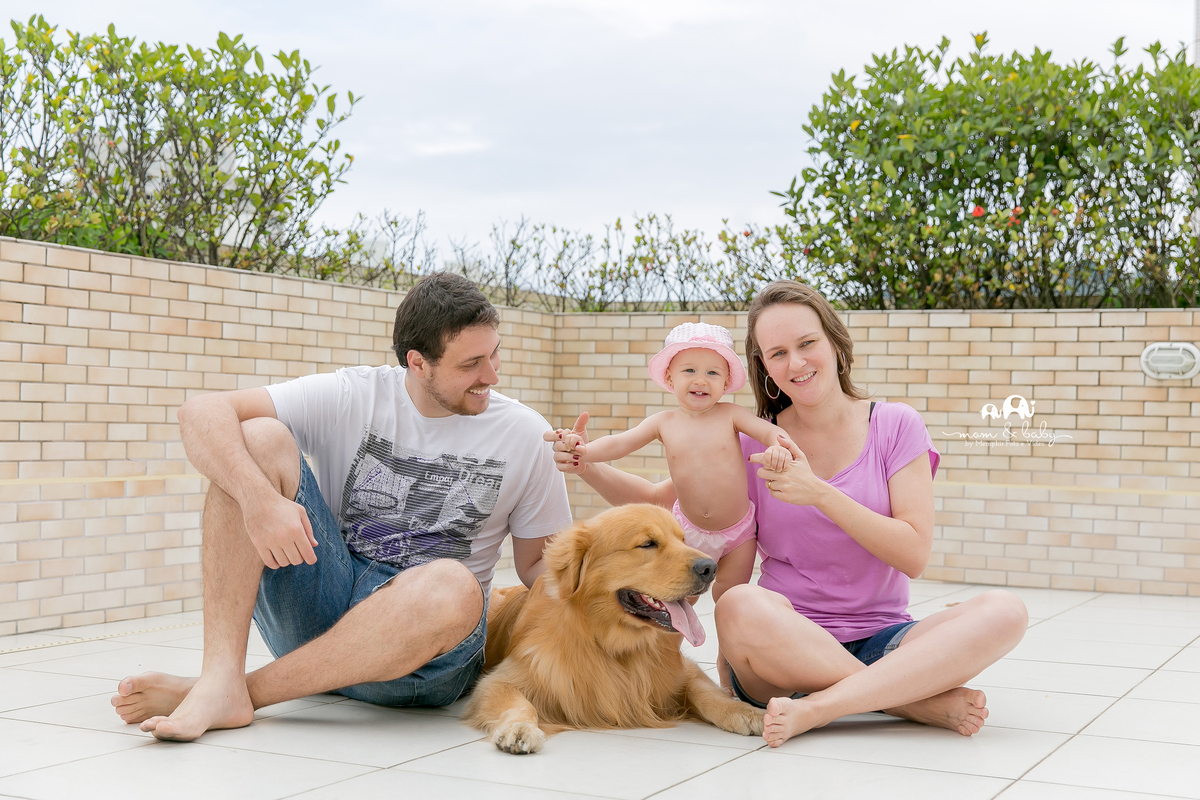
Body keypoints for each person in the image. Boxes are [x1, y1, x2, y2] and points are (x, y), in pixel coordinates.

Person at [546, 281, 1028, 747]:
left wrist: (817, 492)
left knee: (1006, 611)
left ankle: (825, 705)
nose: (795, 362)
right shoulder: (750, 439)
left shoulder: (895, 425)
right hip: (782, 646)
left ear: (835, 343)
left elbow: (914, 554)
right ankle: (909, 701)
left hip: (886, 638)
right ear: (764, 367)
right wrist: (584, 463)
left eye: (806, 343)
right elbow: (658, 501)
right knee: (737, 603)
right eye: (777, 353)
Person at [112, 273, 573, 741]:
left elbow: (540, 565)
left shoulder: (526, 435)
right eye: (472, 363)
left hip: (425, 662)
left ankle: (233, 692)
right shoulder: (355, 394)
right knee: (257, 440)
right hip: (323, 611)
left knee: (453, 583)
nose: (491, 376)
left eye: (494, 354)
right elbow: (200, 413)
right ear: (418, 363)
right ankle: (219, 675)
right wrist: (259, 502)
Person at [561, 322, 791, 605]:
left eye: (712, 373)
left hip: (738, 533)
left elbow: (768, 430)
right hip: (687, 531)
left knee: (731, 598)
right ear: (670, 379)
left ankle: (727, 651)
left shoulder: (731, 415)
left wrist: (779, 446)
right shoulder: (663, 422)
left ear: (726, 381)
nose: (701, 380)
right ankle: (672, 646)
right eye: (689, 371)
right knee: (678, 597)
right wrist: (585, 451)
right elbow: (620, 443)